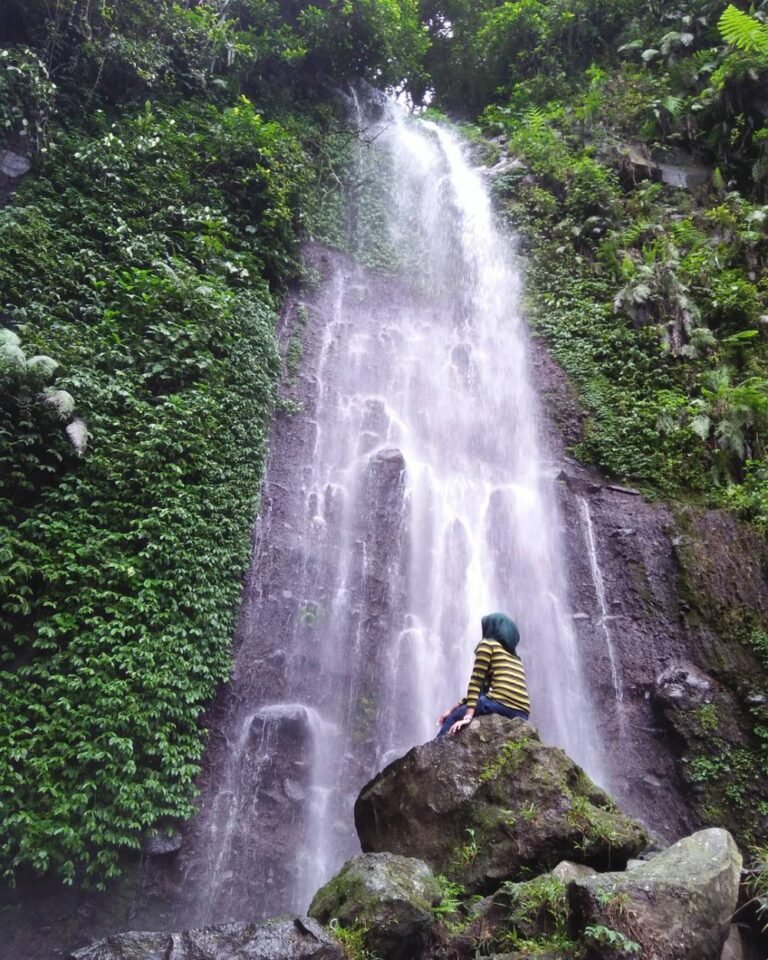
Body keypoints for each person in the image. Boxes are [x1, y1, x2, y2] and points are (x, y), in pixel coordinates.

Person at [436, 612, 531, 737]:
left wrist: (468, 716)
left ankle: (435, 753)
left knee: (452, 719)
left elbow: (476, 682)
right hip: (522, 712)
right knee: (465, 708)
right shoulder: (514, 657)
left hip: (500, 704)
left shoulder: (487, 644)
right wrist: (453, 708)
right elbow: (482, 691)